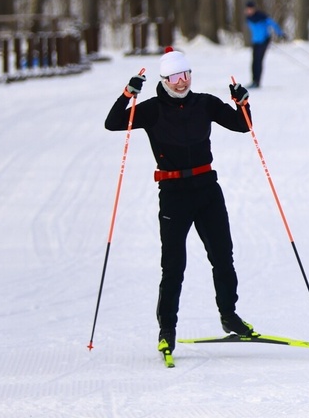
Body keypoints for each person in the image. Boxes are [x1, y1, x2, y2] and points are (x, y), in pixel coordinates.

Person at [104, 47, 259, 360]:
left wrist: (243, 102)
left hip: (207, 190)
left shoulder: (205, 103)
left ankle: (230, 317)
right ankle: (167, 331)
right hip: (174, 194)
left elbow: (243, 126)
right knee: (173, 266)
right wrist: (126, 94)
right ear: (163, 80)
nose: (181, 82)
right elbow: (113, 123)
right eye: (174, 77)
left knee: (223, 257)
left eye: (186, 75)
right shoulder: (150, 110)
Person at [244, 0, 286, 88]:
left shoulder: (262, 17)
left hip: (263, 41)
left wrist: (280, 33)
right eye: (248, 9)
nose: (249, 11)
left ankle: (257, 82)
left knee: (258, 61)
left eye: (251, 9)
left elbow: (273, 24)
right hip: (255, 42)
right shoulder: (248, 18)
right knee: (254, 62)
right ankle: (254, 81)